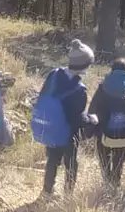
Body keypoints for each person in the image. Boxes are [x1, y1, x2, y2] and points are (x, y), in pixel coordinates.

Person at [33, 39, 97, 198]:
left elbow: (42, 95)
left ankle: (46, 192)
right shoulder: (79, 89)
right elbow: (77, 118)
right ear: (85, 65)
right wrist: (91, 119)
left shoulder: (54, 74)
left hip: (49, 126)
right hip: (68, 133)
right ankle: (68, 195)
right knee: (71, 163)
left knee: (52, 160)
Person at [88, 57, 125, 187]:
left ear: (112, 70)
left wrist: (91, 130)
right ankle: (115, 182)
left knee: (104, 159)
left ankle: (106, 181)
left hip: (103, 132)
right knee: (119, 161)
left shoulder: (103, 86)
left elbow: (93, 109)